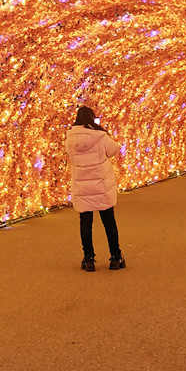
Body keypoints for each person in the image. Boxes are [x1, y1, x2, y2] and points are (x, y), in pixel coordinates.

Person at [64, 106, 126, 272]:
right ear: (92, 119)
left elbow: (70, 155)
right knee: (109, 222)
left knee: (86, 223)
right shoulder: (100, 136)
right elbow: (114, 149)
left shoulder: (70, 138)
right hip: (101, 185)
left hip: (82, 185)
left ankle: (89, 258)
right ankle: (115, 257)